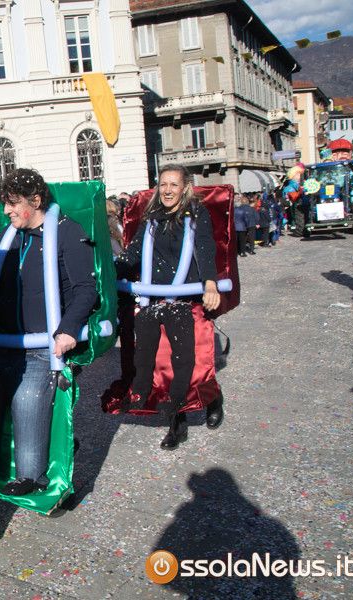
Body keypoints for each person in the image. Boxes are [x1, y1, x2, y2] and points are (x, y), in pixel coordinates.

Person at [0, 168, 97, 496]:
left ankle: (31, 475)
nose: (6, 210)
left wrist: (68, 329)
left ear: (35, 201)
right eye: (5, 204)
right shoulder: (10, 236)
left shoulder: (67, 232)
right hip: (3, 341)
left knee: (27, 402)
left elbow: (86, 289)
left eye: (13, 203)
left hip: (40, 347)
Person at [115, 164, 222, 450]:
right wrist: (109, 271)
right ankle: (177, 423)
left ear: (185, 187)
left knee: (195, 365)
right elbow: (134, 253)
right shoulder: (151, 218)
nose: (168, 190)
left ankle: (212, 399)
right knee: (162, 366)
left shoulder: (196, 214)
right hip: (155, 298)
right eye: (163, 184)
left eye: (174, 184)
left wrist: (210, 283)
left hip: (186, 298)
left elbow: (205, 248)